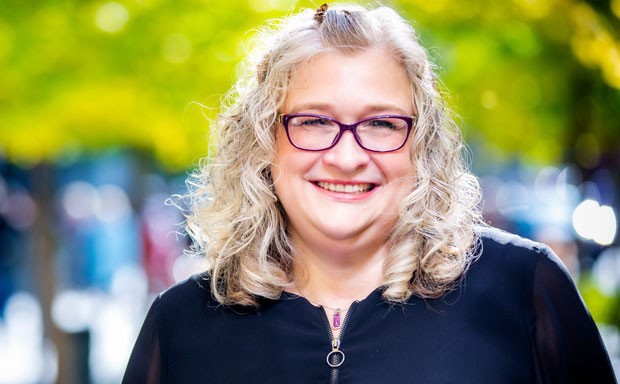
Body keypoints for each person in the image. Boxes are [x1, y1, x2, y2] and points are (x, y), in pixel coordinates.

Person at [123, 3, 617, 383]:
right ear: (263, 141)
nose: (347, 155)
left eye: (380, 123)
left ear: (421, 143)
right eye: (314, 121)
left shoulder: (522, 290)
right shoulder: (182, 324)